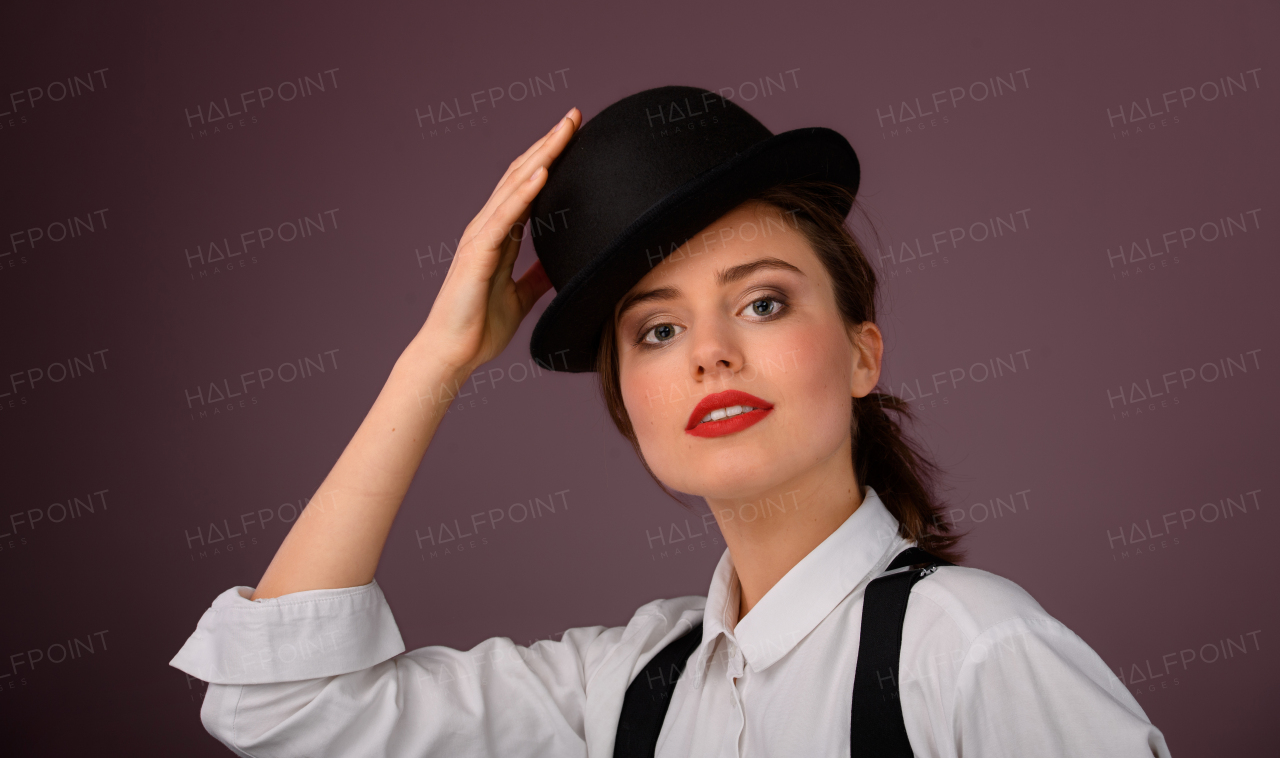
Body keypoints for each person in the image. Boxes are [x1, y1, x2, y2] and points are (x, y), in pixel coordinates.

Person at [171, 86, 1171, 757]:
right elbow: (277, 702)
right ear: (625, 402)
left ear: (862, 351)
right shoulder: (626, 688)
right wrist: (432, 364)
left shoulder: (972, 649)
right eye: (654, 329)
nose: (708, 353)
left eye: (763, 301)